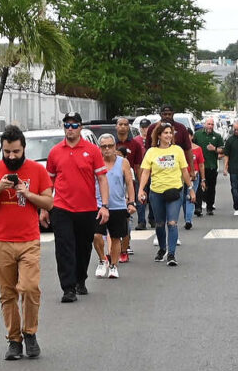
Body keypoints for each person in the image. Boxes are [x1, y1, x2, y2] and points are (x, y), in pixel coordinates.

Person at [0, 127, 53, 359]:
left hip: (29, 240)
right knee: (7, 293)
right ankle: (14, 339)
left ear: (23, 149)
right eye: (7, 152)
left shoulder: (36, 169)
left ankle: (30, 333)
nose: (11, 156)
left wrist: (27, 193)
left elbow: (49, 203)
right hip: (1, 240)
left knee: (30, 288)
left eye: (16, 151)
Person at [43, 113, 104, 304]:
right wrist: (44, 208)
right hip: (61, 207)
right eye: (67, 125)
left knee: (83, 247)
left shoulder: (92, 150)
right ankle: (68, 288)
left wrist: (105, 206)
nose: (70, 128)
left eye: (74, 125)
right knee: (64, 247)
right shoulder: (55, 152)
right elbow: (49, 181)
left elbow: (102, 178)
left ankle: (80, 279)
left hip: (87, 208)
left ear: (81, 127)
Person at [138, 121, 192, 267]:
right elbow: (146, 172)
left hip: (174, 191)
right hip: (156, 192)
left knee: (172, 223)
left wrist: (191, 188)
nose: (169, 135)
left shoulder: (177, 150)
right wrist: (141, 189)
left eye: (170, 133)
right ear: (159, 135)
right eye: (165, 133)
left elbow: (184, 170)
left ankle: (172, 254)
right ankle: (162, 248)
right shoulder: (151, 152)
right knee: (160, 224)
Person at [95, 130, 135, 276]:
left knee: (116, 237)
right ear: (99, 148)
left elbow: (130, 183)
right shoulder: (95, 162)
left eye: (110, 146)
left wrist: (131, 202)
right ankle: (101, 260)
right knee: (96, 235)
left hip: (118, 205)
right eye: (103, 146)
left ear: (115, 147)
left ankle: (113, 265)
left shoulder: (123, 162)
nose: (107, 149)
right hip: (98, 205)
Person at [196, 119, 224, 217]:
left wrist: (215, 149)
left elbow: (223, 150)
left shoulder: (217, 136)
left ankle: (209, 207)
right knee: (199, 187)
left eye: (212, 124)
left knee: (211, 188)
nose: (210, 126)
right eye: (208, 124)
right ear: (205, 124)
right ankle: (198, 207)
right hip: (199, 166)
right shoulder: (197, 135)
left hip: (211, 165)